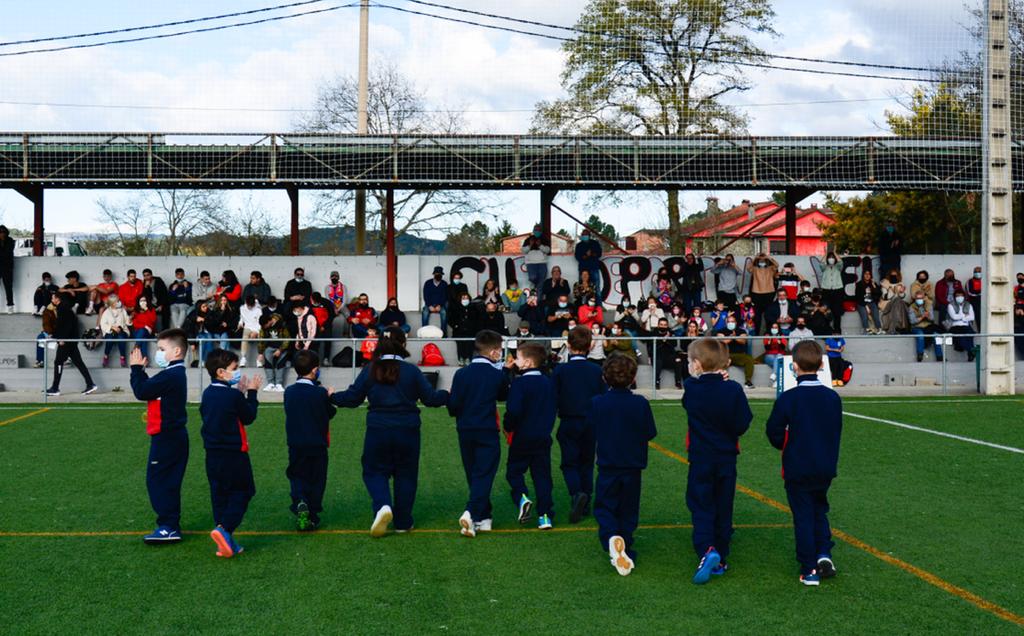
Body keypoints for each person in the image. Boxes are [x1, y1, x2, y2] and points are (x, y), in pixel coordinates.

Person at [330, 328, 449, 536]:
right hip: (408, 429)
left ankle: (383, 505)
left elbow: (352, 398)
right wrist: (447, 394)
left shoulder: (370, 369)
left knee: (374, 471)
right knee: (406, 474)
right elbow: (431, 398)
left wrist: (332, 396)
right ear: (403, 344)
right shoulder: (411, 371)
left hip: (378, 428)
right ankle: (403, 521)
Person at [765, 340, 842, 586]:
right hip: (825, 465)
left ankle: (809, 567)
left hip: (798, 466)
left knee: (803, 515)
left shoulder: (789, 398)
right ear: (821, 365)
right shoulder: (832, 397)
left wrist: (786, 445)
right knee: (819, 509)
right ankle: (823, 553)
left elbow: (774, 431)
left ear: (794, 366)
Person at [682, 338, 753, 584]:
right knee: (723, 504)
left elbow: (689, 394)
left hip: (701, 457)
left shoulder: (692, 388)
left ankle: (707, 548)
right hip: (726, 457)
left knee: (701, 503)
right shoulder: (733, 389)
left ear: (697, 365)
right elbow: (743, 422)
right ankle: (721, 554)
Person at [589, 355, 657, 576]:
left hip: (608, 464)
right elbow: (650, 432)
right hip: (633, 465)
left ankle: (612, 537)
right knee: (629, 508)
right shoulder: (640, 403)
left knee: (605, 506)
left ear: (604, 377)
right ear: (633, 377)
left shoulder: (598, 402)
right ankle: (624, 544)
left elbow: (591, 428)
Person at [447, 330, 511, 537]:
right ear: (493, 352)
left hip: (465, 429)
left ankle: (484, 517)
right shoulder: (496, 375)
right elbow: (504, 395)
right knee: (484, 474)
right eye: (499, 350)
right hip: (487, 429)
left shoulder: (461, 374)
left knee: (474, 473)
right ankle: (472, 512)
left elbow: (453, 406)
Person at [129, 328, 189, 544]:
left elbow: (142, 391)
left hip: (168, 437)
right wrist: (141, 372)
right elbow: (150, 388)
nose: (158, 353)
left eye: (162, 349)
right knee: (165, 480)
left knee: (159, 481)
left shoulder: (171, 375)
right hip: (171, 436)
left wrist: (136, 369)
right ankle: (169, 524)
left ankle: (169, 526)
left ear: (177, 351)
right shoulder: (173, 374)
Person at [201, 348, 261, 558]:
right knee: (244, 491)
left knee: (220, 495)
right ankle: (225, 528)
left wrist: (240, 395)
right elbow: (248, 416)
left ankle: (226, 541)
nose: (237, 372)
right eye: (234, 368)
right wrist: (251, 393)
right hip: (234, 453)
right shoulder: (232, 396)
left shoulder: (207, 393)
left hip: (212, 454)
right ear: (221, 372)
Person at [552, 327, 608, 524]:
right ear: (590, 346)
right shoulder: (596, 370)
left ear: (568, 345)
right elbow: (603, 396)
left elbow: (553, 396)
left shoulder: (561, 370)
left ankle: (577, 494)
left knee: (569, 462)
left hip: (569, 420)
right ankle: (586, 498)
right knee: (586, 461)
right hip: (591, 421)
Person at [503, 342, 557, 530]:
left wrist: (508, 426)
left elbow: (513, 410)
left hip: (522, 436)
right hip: (543, 436)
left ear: (527, 362)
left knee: (514, 472)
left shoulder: (519, 383)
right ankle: (545, 515)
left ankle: (522, 497)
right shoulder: (548, 383)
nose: (515, 361)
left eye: (518, 358)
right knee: (542, 476)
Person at [284, 349, 337, 531]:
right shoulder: (320, 393)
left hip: (296, 444)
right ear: (315, 370)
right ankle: (312, 514)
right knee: (317, 479)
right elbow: (330, 413)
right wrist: (329, 397)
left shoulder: (289, 392)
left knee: (297, 475)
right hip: (317, 443)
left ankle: (300, 500)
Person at [716, 316, 756, 389]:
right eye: (729, 322)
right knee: (717, 359)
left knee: (749, 359)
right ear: (726, 323)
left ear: (736, 323)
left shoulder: (741, 331)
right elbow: (722, 342)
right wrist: (731, 338)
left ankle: (748, 381)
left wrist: (735, 337)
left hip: (739, 355)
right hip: (726, 355)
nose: (730, 323)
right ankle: (719, 381)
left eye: (732, 322)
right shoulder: (721, 331)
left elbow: (743, 341)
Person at [747, 253, 779, 332]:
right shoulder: (755, 268)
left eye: (764, 259)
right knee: (757, 315)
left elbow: (777, 265)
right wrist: (756, 257)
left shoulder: (771, 268)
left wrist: (768, 257)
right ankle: (757, 332)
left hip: (769, 293)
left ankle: (768, 332)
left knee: (768, 314)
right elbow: (748, 268)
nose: (762, 260)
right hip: (757, 293)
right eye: (760, 259)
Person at [259, 312, 292, 391]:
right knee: (267, 362)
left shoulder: (282, 324)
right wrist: (260, 352)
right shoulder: (264, 327)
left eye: (265, 325)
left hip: (281, 347)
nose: (264, 327)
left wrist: (280, 350)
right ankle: (270, 384)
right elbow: (261, 339)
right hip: (269, 347)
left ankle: (279, 384)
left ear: (269, 321)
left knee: (281, 363)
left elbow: (287, 338)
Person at [908, 291, 943, 363]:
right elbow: (912, 321)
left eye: (921, 298)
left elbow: (932, 318)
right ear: (915, 299)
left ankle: (940, 357)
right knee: (920, 335)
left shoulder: (928, 305)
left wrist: (928, 316)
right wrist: (922, 317)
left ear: (923, 298)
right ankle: (920, 355)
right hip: (916, 327)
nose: (919, 300)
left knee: (936, 335)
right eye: (917, 298)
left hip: (928, 326)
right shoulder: (911, 307)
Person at [99, 294, 130, 368]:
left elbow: (128, 322)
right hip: (110, 331)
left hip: (122, 330)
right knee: (110, 338)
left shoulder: (122, 310)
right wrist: (112, 327)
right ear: (112, 303)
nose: (119, 302)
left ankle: (122, 357)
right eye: (117, 301)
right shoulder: (106, 312)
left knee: (121, 337)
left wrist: (130, 320)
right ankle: (106, 356)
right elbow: (103, 324)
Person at [819, 252, 845, 333]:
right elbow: (821, 263)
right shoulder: (824, 267)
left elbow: (841, 262)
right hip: (826, 291)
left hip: (837, 291)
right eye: (830, 257)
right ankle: (827, 330)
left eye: (832, 257)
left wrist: (834, 253)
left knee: (837, 312)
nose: (831, 259)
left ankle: (837, 331)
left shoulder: (838, 267)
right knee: (826, 311)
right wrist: (826, 254)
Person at [449, 292, 478, 364]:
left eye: (466, 298)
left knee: (469, 342)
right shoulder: (455, 308)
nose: (465, 300)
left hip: (471, 331)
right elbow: (450, 319)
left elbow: (477, 320)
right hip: (459, 331)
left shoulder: (474, 308)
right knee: (460, 342)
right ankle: (461, 358)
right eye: (463, 298)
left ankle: (468, 358)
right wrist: (455, 325)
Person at [947, 292, 976, 361]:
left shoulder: (968, 305)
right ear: (954, 297)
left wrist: (962, 318)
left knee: (970, 335)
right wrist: (965, 315)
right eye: (957, 296)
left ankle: (970, 353)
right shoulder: (950, 305)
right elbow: (954, 317)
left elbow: (972, 317)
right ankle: (971, 351)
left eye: (961, 296)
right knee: (960, 337)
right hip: (955, 326)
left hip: (966, 325)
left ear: (964, 297)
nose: (959, 297)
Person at [575, 229, 604, 297]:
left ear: (589, 235)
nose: (585, 236)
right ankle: (583, 303)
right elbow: (577, 256)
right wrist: (585, 255)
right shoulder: (579, 245)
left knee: (596, 287)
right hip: (583, 269)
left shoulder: (595, 243)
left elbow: (599, 254)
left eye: (586, 234)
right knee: (582, 287)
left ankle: (598, 303)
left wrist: (592, 254)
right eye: (583, 235)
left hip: (594, 268)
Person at [522, 224, 551, 291]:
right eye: (536, 230)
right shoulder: (528, 239)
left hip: (542, 263)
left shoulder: (544, 239)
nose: (537, 231)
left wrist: (540, 245)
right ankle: (534, 283)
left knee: (541, 285)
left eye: (539, 230)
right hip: (531, 263)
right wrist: (530, 245)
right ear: (533, 230)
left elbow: (547, 250)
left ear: (541, 231)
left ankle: (538, 297)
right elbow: (523, 251)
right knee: (532, 278)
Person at [237, 295, 263, 368]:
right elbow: (241, 318)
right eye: (248, 305)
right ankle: (243, 358)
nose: (250, 307)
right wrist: (240, 323)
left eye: (251, 306)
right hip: (247, 327)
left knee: (261, 337)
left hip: (257, 328)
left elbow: (260, 323)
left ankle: (259, 360)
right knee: (245, 335)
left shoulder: (258, 310)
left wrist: (256, 332)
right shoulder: (242, 308)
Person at [422, 266, 449, 332]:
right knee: (425, 313)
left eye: (440, 274)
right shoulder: (428, 283)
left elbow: (445, 296)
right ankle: (424, 332)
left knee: (444, 313)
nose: (438, 275)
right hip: (429, 305)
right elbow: (426, 295)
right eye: (437, 273)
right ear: (434, 274)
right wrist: (429, 305)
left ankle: (443, 333)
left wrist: (440, 305)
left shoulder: (444, 284)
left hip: (440, 305)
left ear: (442, 275)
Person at [854, 270, 882, 334]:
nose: (867, 275)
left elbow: (879, 294)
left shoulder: (873, 283)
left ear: (870, 276)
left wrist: (874, 285)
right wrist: (866, 306)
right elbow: (858, 297)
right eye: (865, 274)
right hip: (861, 303)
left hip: (871, 302)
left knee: (876, 315)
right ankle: (866, 330)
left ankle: (879, 329)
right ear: (863, 275)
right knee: (864, 315)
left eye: (869, 274)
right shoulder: (859, 284)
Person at [324, 271, 348, 336]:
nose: (334, 277)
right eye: (332, 276)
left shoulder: (343, 287)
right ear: (330, 278)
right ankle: (329, 334)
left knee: (348, 316)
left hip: (342, 306)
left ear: (338, 278)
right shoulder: (327, 287)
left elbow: (345, 300)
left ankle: (347, 333)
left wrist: (338, 309)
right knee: (327, 317)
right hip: (331, 306)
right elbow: (328, 300)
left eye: (336, 276)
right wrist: (334, 309)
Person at [0, 224, 13, 313]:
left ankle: (10, 306)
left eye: (4, 232)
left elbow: (8, 253)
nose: (2, 234)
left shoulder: (10, 241)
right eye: (1, 232)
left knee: (8, 287)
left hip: (7, 267)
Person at [966, 266, 983, 332]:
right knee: (977, 317)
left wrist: (978, 292)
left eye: (979, 271)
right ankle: (979, 332)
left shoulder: (986, 280)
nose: (977, 273)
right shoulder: (970, 281)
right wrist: (980, 292)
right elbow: (970, 292)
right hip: (974, 302)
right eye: (975, 272)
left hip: (984, 302)